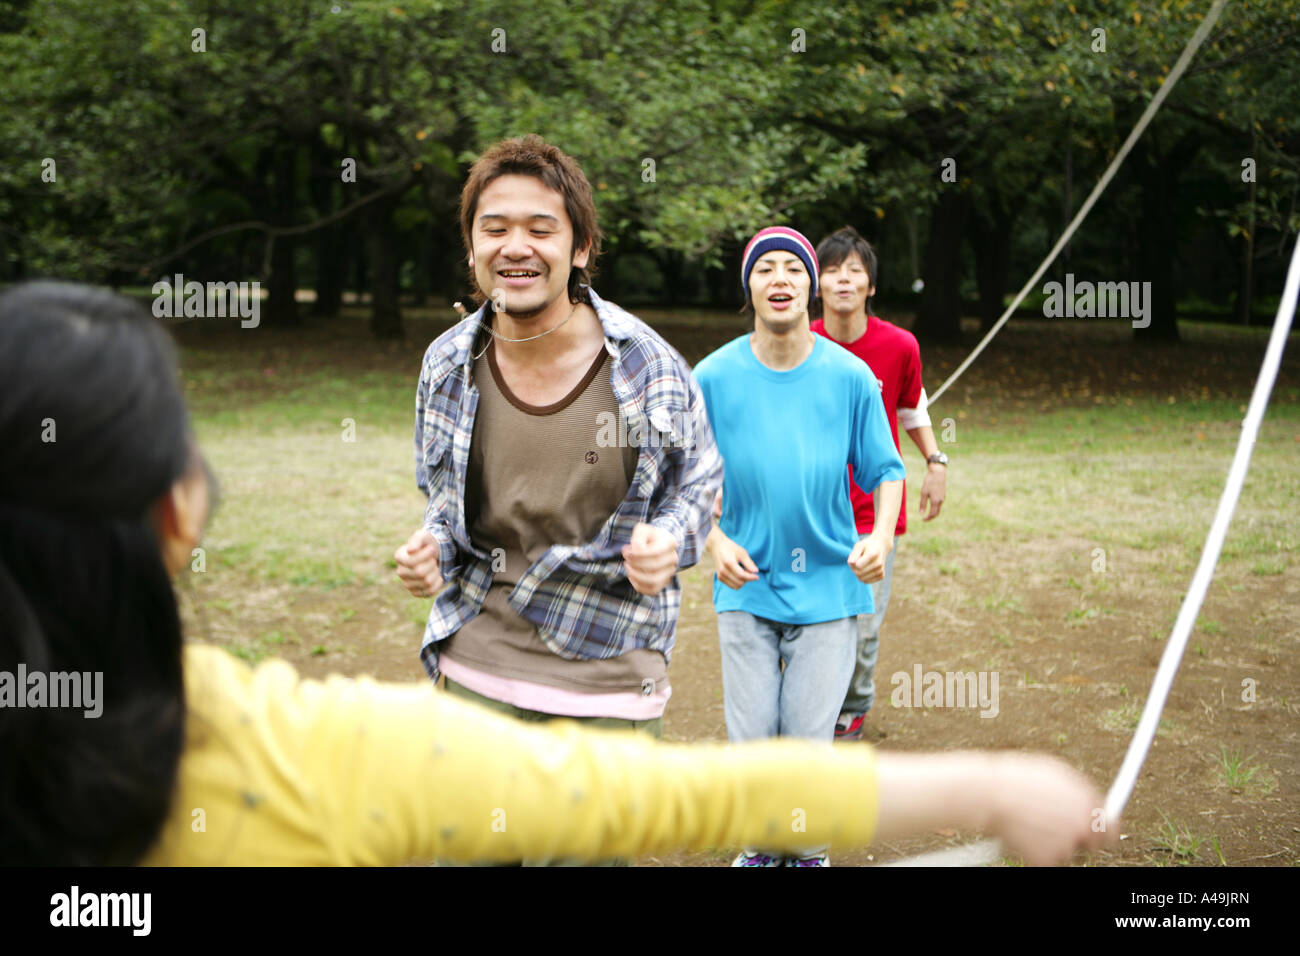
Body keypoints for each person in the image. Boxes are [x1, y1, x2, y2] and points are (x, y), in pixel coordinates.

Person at [0, 280, 1112, 867]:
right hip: (577, 642)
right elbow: (658, 797)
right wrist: (991, 788)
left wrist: (676, 532)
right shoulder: (275, 756)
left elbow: (698, 476)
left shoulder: (690, 371)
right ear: (178, 509)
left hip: (735, 621)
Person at [393, 137, 722, 862]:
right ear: (471, 246)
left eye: (541, 228)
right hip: (477, 673)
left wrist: (669, 541)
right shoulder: (450, 364)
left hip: (607, 676)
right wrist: (430, 551)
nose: (517, 246)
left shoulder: (641, 366)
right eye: (495, 227)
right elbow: (446, 511)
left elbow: (696, 487)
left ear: (580, 249)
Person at [693, 226, 906, 867]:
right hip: (746, 580)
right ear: (748, 286)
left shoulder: (850, 376)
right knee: (754, 735)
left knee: (809, 736)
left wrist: (878, 539)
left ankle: (807, 852)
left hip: (828, 585)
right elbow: (683, 478)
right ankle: (761, 851)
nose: (779, 279)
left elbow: (887, 470)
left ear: (810, 286)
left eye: (792, 268)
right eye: (765, 269)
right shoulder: (713, 376)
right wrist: (712, 539)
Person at [810, 226, 949, 741]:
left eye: (854, 271)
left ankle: (853, 706)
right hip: (810, 510)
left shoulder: (899, 346)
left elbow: (912, 408)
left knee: (864, 626)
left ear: (870, 285)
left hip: (873, 511)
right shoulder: (796, 343)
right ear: (816, 284)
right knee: (809, 619)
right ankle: (808, 703)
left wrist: (936, 462)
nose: (843, 280)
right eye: (831, 270)